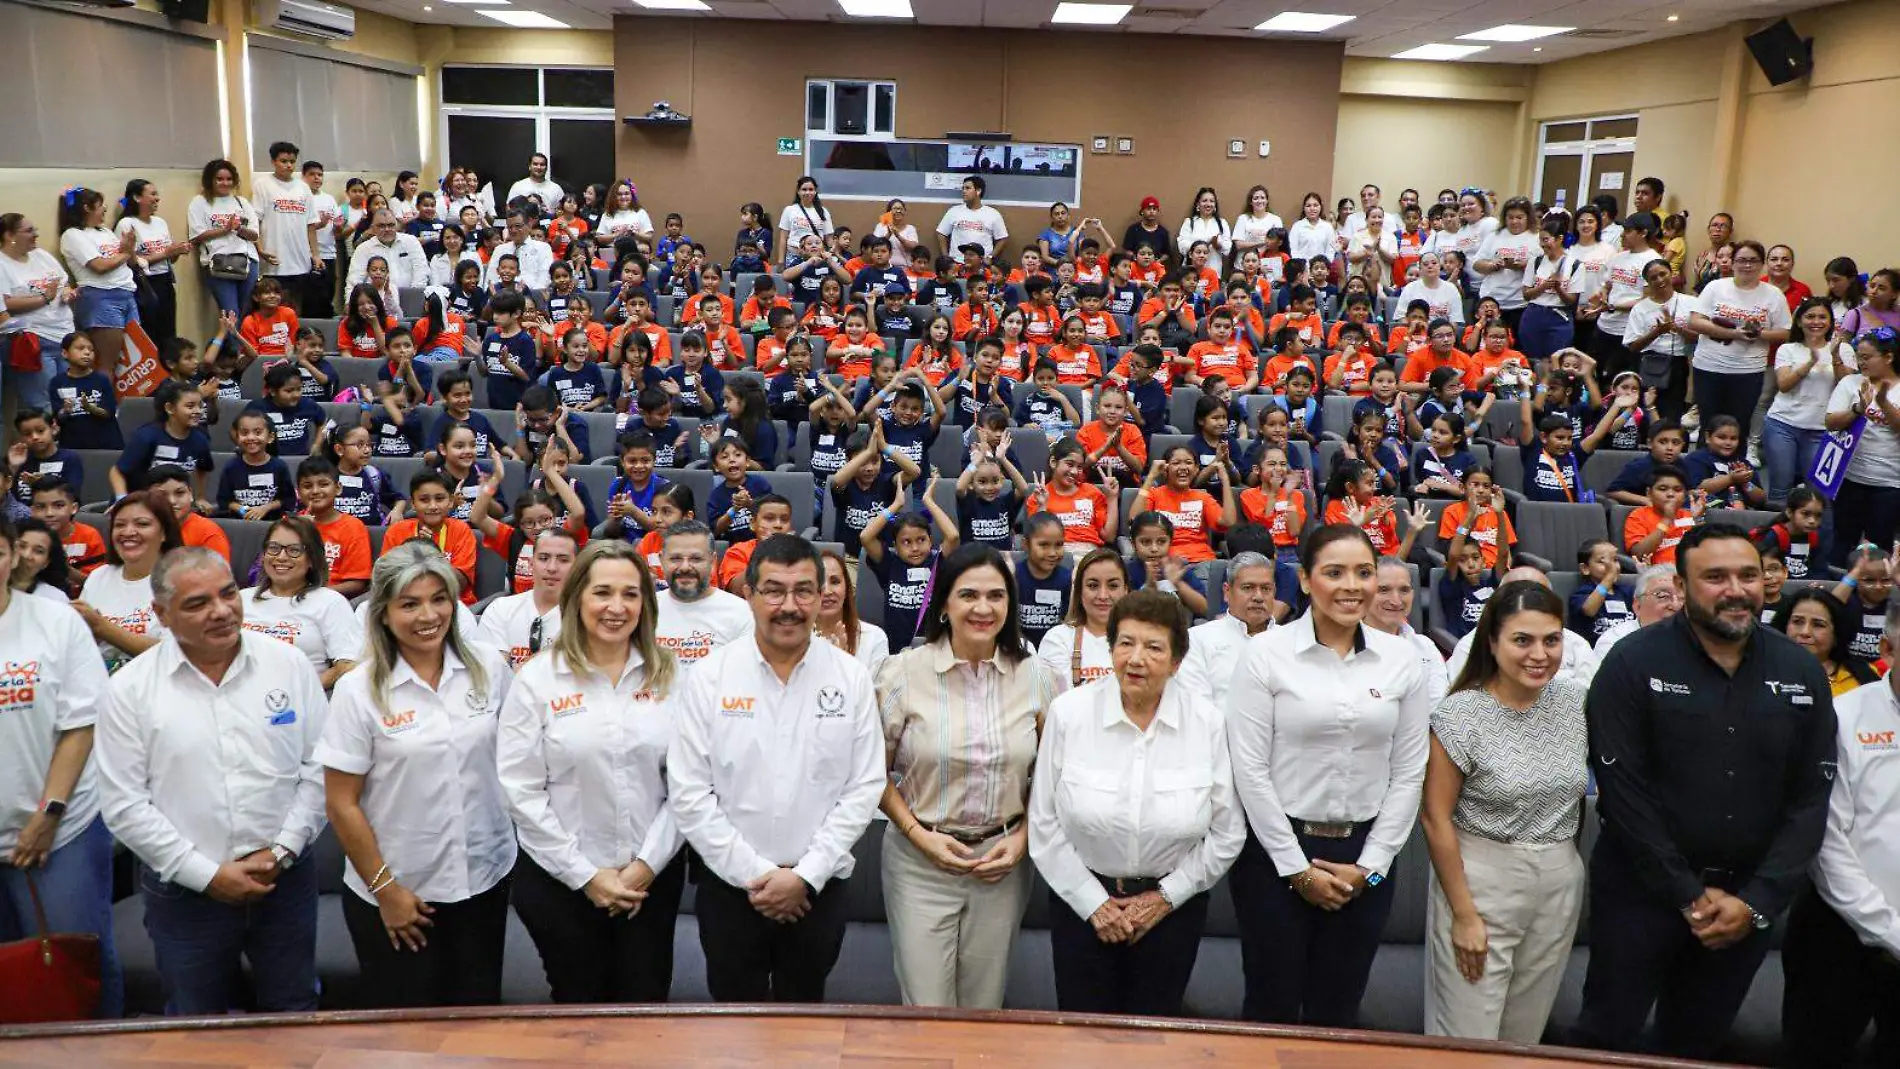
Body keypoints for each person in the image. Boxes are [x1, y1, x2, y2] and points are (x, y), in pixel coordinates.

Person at [1577, 523, 1837, 1061]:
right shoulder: (1631, 664)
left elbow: (1812, 797)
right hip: (1640, 896)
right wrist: (1686, 895)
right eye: (1715, 577)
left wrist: (1758, 901)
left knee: (1698, 1046)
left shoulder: (1800, 671)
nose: (1735, 589)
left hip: (1746, 905)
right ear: (1683, 583)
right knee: (1606, 1038)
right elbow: (1622, 793)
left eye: (1747, 576)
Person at [95, 547, 329, 1015]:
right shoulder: (129, 690)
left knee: (295, 1011)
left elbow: (321, 770)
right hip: (186, 892)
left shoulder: (289, 665)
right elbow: (124, 805)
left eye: (227, 594)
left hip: (283, 879)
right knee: (196, 1023)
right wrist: (208, 876)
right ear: (160, 614)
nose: (222, 611)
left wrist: (281, 850)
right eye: (198, 603)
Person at [1226, 524, 1431, 1026]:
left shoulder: (1404, 659)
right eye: (1334, 573)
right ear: (1304, 580)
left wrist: (1372, 866)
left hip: (1369, 860)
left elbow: (1409, 771)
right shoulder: (1263, 655)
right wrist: (1297, 870)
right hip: (1274, 856)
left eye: (1364, 573)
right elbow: (1249, 770)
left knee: (1339, 1012)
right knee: (1269, 1008)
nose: (1351, 586)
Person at [668, 534, 884, 1002]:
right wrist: (756, 874)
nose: (790, 605)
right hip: (729, 888)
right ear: (748, 594)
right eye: (774, 590)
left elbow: (864, 786)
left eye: (804, 590)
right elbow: (689, 791)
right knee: (732, 1022)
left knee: (803, 1017)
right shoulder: (710, 675)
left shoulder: (851, 678)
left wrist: (805, 875)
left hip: (818, 889)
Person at [317, 540, 515, 1008]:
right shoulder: (357, 690)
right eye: (410, 604)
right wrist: (386, 891)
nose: (428, 615)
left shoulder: (487, 666)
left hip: (483, 880)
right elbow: (340, 802)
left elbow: (513, 760)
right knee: (407, 1039)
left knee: (478, 1023)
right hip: (399, 890)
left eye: (438, 599)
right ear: (383, 612)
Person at [1028, 589, 1243, 1015]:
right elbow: (1044, 823)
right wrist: (1095, 904)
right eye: (1125, 643)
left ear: (1177, 662)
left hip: (1172, 910)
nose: (1136, 658)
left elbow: (1227, 831)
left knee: (1156, 1041)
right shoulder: (1069, 713)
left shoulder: (1207, 723)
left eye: (1153, 647)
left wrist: (1165, 897)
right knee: (1082, 1040)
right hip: (1081, 905)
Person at [498, 540, 687, 1004]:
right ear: (577, 597)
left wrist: (645, 868)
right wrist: (584, 875)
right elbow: (520, 791)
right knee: (578, 1014)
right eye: (602, 592)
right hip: (561, 885)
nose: (616, 608)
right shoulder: (537, 681)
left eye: (630, 594)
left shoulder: (675, 678)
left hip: (651, 883)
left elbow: (690, 786)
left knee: (645, 1009)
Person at [875, 545, 1059, 1008]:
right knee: (927, 1008)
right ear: (944, 603)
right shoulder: (901, 673)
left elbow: (1055, 777)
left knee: (984, 1006)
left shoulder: (1039, 677)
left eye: (997, 596)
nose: (983, 608)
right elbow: (871, 774)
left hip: (1002, 863)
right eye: (969, 594)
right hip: (921, 861)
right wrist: (918, 835)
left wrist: (1022, 839)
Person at [1421, 580, 1588, 1042]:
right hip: (1480, 877)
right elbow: (1435, 818)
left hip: (1558, 879)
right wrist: (1464, 914)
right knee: (1468, 1039)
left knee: (1524, 1038)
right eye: (1523, 640)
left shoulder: (1576, 703)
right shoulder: (1461, 714)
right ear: (1491, 643)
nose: (1540, 654)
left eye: (1551, 640)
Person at [0, 517, 119, 1018]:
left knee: (76, 967)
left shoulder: (54, 620)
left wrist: (48, 813)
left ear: (12, 557)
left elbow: (81, 724)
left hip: (57, 828)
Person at [1783, 598, 1900, 1068]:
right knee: (1816, 1054)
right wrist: (1891, 931)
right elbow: (1827, 843)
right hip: (1838, 932)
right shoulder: (1842, 716)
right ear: (1889, 647)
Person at [240, 516, 361, 690]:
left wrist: (304, 693)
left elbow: (348, 664)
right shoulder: (241, 599)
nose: (281, 557)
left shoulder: (330, 602)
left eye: (294, 550)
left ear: (311, 559)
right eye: (274, 548)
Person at [1687, 240, 1793, 432]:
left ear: (1762, 265)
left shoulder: (1774, 295)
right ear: (1733, 262)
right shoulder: (1715, 287)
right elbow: (1694, 322)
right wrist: (1733, 333)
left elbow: (1785, 333)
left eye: (1753, 261)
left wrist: (1759, 334)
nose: (1747, 265)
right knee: (1709, 425)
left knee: (1739, 426)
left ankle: (1735, 462)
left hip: (1748, 372)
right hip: (1709, 367)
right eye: (1742, 260)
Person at [74, 490, 181, 673]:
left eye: (142, 524)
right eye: (120, 525)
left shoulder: (183, 580)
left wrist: (102, 627)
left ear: (164, 533)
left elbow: (176, 655)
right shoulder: (99, 576)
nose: (128, 532)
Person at [1448, 566, 1601, 688]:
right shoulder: (1470, 645)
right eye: (1521, 640)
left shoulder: (1576, 643)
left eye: (1538, 596)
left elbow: (1591, 694)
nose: (1539, 655)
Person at [1825, 328, 1900, 563]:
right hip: (1849, 478)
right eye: (1859, 356)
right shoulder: (1850, 382)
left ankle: (1876, 594)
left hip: (1889, 483)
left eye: (1867, 357)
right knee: (1843, 540)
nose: (1861, 362)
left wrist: (1883, 403)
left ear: (1888, 357)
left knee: (1881, 544)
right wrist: (1858, 409)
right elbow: (1830, 422)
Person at [1173, 551, 1279, 707]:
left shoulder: (1292, 641)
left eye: (1266, 589)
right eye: (1248, 588)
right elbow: (1195, 707)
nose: (1258, 596)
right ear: (1227, 592)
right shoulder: (1198, 639)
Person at [0, 213, 80, 411]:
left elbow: (64, 284)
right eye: (29, 231)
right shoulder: (3, 265)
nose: (35, 234)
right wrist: (43, 299)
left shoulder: (41, 255)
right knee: (44, 406)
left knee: (70, 402)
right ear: (10, 235)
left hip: (65, 335)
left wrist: (68, 294)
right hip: (35, 340)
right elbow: (6, 303)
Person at [652, 520, 754, 669]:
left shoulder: (741, 614)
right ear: (661, 560)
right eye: (675, 558)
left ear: (712, 561)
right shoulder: (644, 610)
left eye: (696, 559)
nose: (685, 567)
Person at [476, 527, 578, 670]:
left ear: (576, 567)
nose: (552, 568)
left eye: (563, 560)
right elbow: (492, 676)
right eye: (544, 558)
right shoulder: (500, 609)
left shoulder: (586, 617)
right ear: (531, 564)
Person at [1035, 548, 1127, 690]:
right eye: (1093, 586)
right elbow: (1056, 702)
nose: (1103, 595)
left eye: (1113, 586)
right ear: (1080, 591)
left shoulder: (1143, 639)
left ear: (1125, 590)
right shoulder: (1058, 638)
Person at [186, 158, 261, 317]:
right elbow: (196, 236)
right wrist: (225, 230)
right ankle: (230, 343)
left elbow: (254, 234)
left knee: (247, 314)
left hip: (248, 262)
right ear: (210, 180)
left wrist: (239, 228)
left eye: (229, 179)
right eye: (219, 179)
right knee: (230, 314)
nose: (225, 183)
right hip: (217, 262)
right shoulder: (199, 202)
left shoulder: (242, 202)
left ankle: (240, 343)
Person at [1774, 587, 1879, 698]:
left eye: (1818, 625)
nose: (1805, 632)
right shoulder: (1763, 671)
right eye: (1797, 622)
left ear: (1837, 633)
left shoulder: (1864, 674)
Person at [815, 547, 888, 678]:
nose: (827, 591)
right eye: (819, 583)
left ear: (847, 588)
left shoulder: (874, 638)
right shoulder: (795, 640)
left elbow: (873, 697)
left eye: (835, 581)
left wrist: (844, 663)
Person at [1590, 564, 1681, 660]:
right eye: (1663, 596)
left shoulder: (1694, 638)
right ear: (1638, 606)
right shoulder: (1614, 643)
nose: (1676, 605)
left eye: (1683, 598)